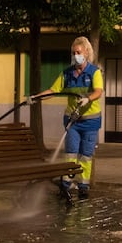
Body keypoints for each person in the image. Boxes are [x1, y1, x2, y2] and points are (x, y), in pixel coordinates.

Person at [28, 36, 103, 200]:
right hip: (72, 121)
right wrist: (35, 97)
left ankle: (83, 186)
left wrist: (88, 98)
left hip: (90, 121)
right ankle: (66, 185)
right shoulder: (67, 73)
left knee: (86, 155)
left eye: (79, 52)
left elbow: (98, 91)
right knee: (70, 153)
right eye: (73, 52)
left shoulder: (94, 72)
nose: (76, 55)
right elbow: (52, 90)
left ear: (86, 53)